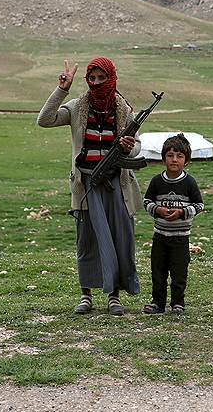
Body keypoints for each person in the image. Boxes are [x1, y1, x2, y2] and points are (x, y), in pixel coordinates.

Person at [37, 57, 144, 316]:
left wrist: (130, 148)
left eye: (101, 78)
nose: (96, 83)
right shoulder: (76, 107)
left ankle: (114, 296)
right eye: (92, 78)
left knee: (119, 238)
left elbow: (137, 145)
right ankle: (86, 294)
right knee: (87, 241)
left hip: (117, 185)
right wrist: (63, 88)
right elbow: (45, 119)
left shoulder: (124, 110)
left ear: (111, 79)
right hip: (86, 185)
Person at [142, 134, 204, 315]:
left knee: (179, 273)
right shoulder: (157, 181)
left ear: (186, 160)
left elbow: (199, 205)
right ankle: (157, 303)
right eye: (170, 155)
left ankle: (178, 303)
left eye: (179, 156)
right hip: (160, 236)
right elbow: (146, 202)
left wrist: (182, 213)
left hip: (181, 238)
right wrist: (157, 210)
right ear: (163, 158)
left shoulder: (189, 182)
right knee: (158, 271)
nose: (174, 160)